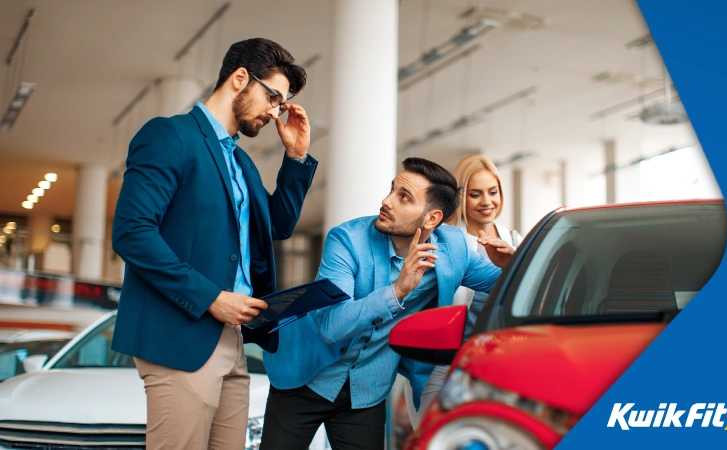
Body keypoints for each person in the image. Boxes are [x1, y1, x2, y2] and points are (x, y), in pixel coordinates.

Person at [111, 38, 317, 450]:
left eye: (281, 103)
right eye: (272, 97)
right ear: (240, 78)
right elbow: (132, 232)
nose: (275, 112)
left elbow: (275, 226)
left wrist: (295, 157)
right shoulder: (170, 136)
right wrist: (210, 298)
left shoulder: (241, 162)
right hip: (180, 334)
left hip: (232, 339)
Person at [260, 157, 514, 450]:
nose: (387, 201)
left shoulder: (454, 248)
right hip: (305, 376)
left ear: (432, 219)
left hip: (368, 388)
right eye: (392, 190)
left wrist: (511, 263)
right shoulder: (347, 240)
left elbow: (507, 287)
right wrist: (396, 292)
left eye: (403, 197)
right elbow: (331, 325)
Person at [403, 154, 523, 428]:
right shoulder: (444, 240)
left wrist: (513, 261)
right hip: (444, 361)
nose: (486, 202)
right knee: (434, 435)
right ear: (461, 198)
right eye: (475, 194)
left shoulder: (515, 241)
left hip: (496, 364)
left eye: (492, 192)